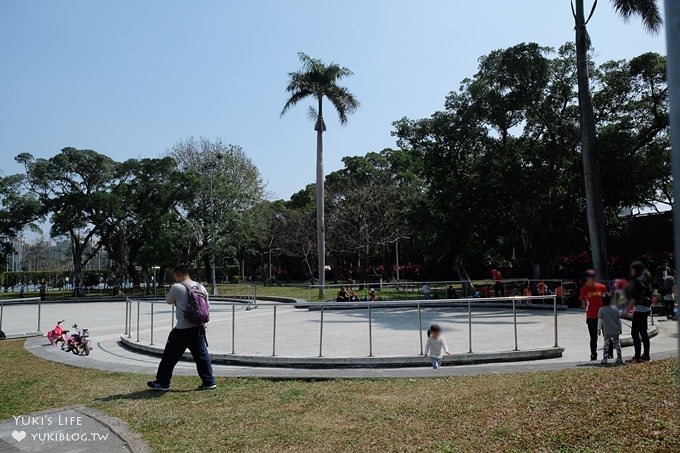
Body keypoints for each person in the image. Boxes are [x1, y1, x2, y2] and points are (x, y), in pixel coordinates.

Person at [148, 264, 216, 391]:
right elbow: (207, 306)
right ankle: (209, 381)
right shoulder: (201, 287)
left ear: (178, 274)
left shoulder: (177, 287)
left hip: (182, 328)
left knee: (169, 355)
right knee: (201, 355)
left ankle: (162, 382)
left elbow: (168, 300)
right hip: (198, 327)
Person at [626, 261, 653, 363]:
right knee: (643, 333)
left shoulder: (638, 280)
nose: (631, 271)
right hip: (645, 309)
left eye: (632, 269)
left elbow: (635, 297)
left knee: (635, 333)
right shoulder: (646, 279)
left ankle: (637, 356)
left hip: (640, 309)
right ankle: (645, 355)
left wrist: (626, 310)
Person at [579, 270, 607, 361]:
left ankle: (608, 354)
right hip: (591, 316)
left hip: (602, 315)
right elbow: (583, 303)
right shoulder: (584, 289)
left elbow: (607, 300)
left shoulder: (602, 287)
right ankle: (593, 354)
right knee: (593, 337)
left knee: (606, 336)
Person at [597, 293, 623, 365]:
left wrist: (598, 329)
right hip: (615, 330)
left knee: (606, 344)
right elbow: (619, 320)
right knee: (617, 344)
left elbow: (600, 320)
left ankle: (605, 359)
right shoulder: (615, 309)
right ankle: (619, 358)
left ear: (602, 301)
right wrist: (620, 328)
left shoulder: (601, 310)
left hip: (607, 330)